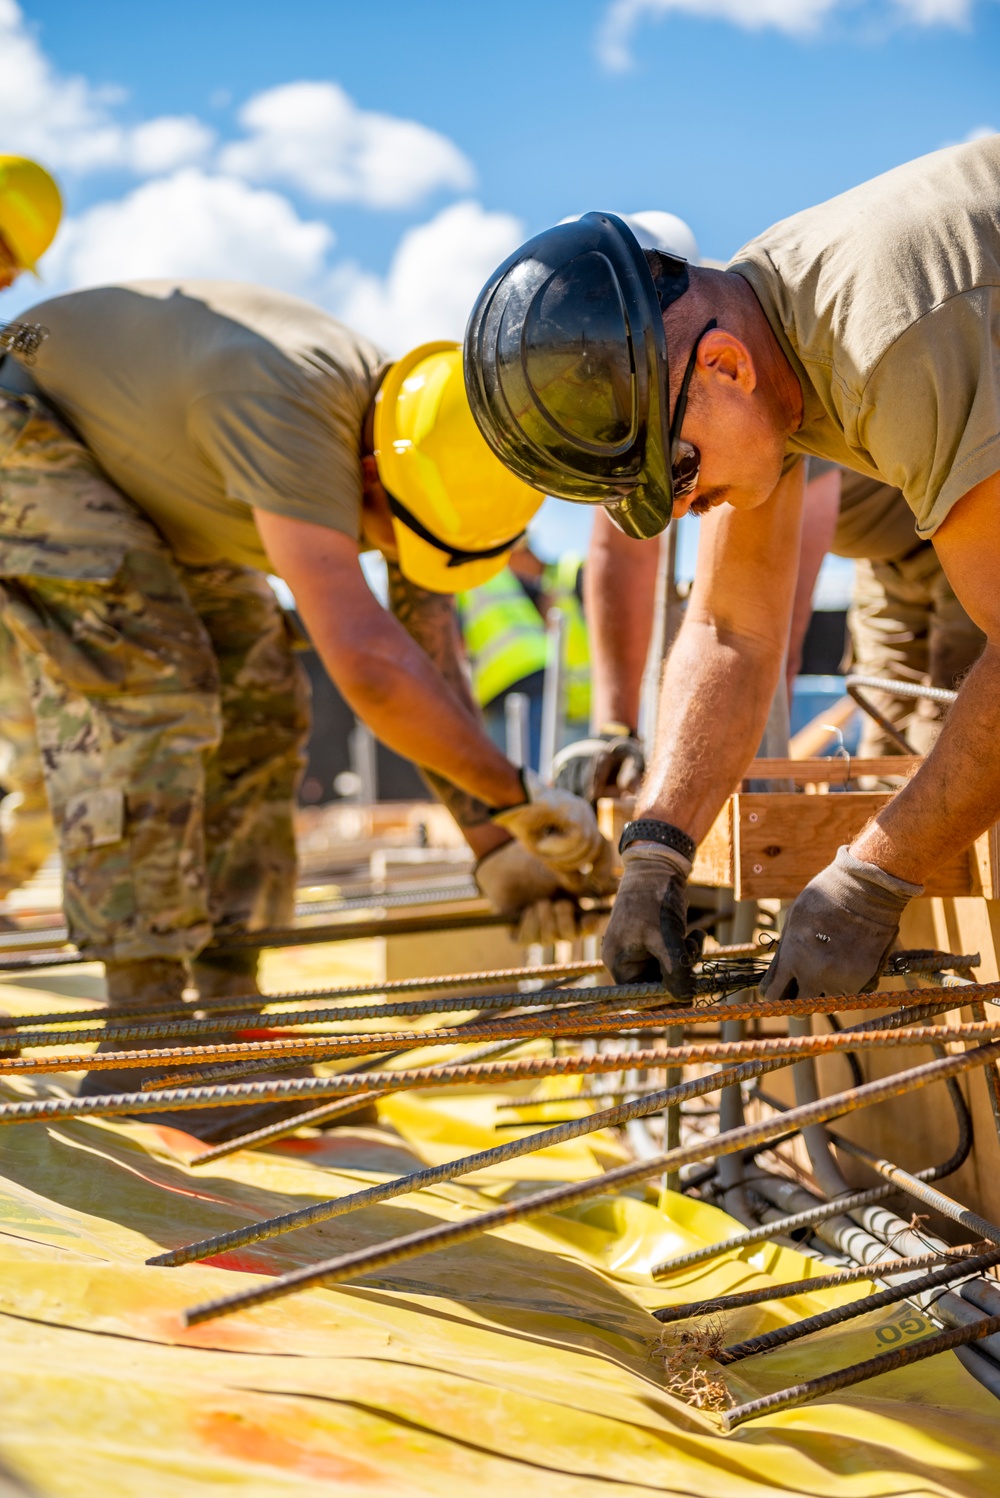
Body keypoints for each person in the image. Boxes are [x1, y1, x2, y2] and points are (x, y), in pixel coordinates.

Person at [0, 287, 613, 1133]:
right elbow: (369, 667)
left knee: (262, 697)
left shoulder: (426, 449)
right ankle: (140, 1037)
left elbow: (427, 657)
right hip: (24, 428)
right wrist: (518, 800)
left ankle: (229, 1023)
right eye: (385, 541)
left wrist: (496, 845)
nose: (390, 559)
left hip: (149, 478)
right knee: (152, 688)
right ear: (367, 479)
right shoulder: (290, 415)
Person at [464, 134, 1000, 1002]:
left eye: (676, 474)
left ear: (724, 367)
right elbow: (730, 629)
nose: (681, 510)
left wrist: (873, 880)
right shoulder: (761, 347)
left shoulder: (889, 335)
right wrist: (656, 850)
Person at [788, 462, 985, 757]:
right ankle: (881, 797)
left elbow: (777, 646)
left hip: (965, 528)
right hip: (879, 565)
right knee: (884, 720)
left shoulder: (792, 454)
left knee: (947, 710)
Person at [0, 157, 63, 918]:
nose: (13, 282)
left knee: (42, 774)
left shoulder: (21, 338)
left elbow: (47, 337)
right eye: (9, 260)